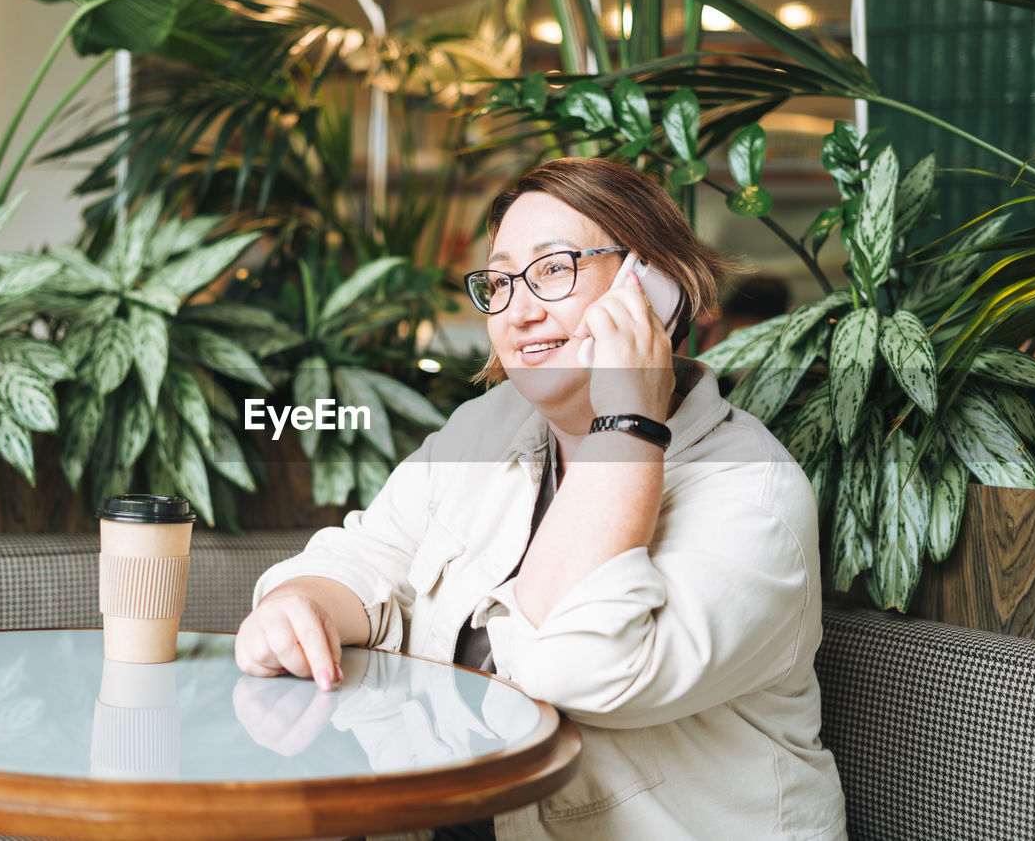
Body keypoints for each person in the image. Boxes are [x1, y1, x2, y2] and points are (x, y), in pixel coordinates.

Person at [235, 158, 846, 840]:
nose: (519, 310)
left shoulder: (753, 494)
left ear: (656, 285)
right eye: (498, 281)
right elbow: (372, 549)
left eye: (554, 268)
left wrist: (628, 422)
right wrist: (303, 601)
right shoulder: (486, 428)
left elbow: (572, 671)